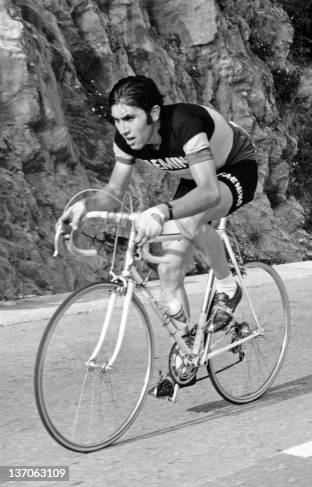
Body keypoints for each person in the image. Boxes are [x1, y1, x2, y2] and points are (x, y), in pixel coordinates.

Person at [60, 75, 258, 332]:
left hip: (234, 164)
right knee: (168, 269)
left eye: (130, 118)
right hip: (195, 173)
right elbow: (114, 191)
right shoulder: (126, 141)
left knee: (188, 220)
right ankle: (187, 345)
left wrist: (161, 212)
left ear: (153, 113)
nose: (123, 129)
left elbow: (209, 192)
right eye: (117, 120)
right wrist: (84, 206)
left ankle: (228, 287)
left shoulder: (185, 125)